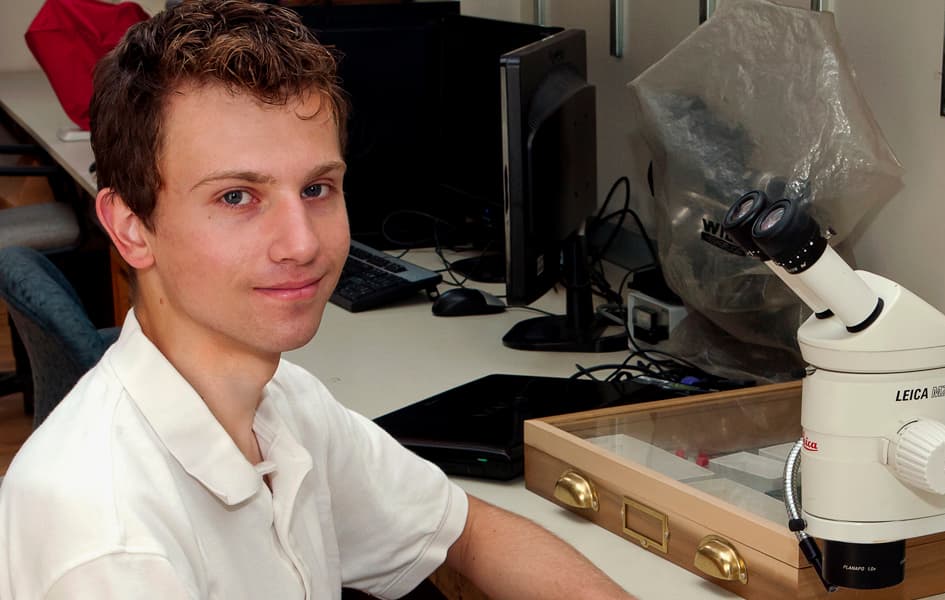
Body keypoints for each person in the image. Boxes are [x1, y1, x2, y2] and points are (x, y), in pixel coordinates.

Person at [0, 2, 633, 599]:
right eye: (237, 197)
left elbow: (466, 530)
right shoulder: (111, 548)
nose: (302, 244)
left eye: (317, 187)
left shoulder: (284, 405)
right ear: (131, 227)